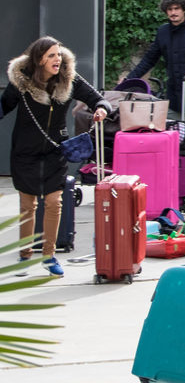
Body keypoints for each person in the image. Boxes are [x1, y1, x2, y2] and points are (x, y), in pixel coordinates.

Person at [2, 37, 110, 276]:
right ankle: (25, 255)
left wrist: (101, 108)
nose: (57, 59)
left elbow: (97, 98)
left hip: (55, 151)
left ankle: (49, 256)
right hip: (25, 152)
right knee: (27, 206)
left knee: (53, 203)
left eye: (58, 55)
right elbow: (4, 106)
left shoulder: (68, 79)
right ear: (39, 59)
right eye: (51, 55)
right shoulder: (22, 81)